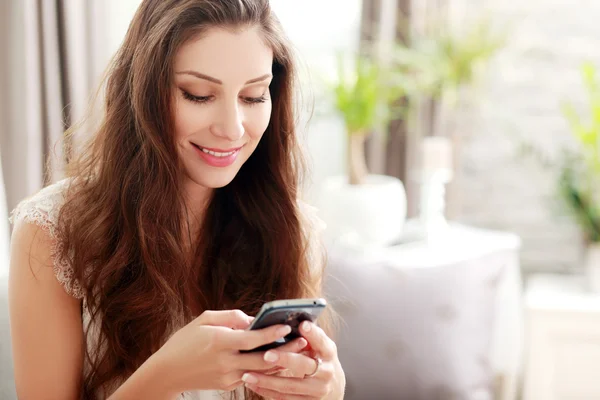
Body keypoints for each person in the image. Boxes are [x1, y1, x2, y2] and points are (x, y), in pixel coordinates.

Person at [8, 0, 346, 399]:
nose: (232, 128)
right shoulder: (52, 231)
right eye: (198, 95)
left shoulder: (291, 227)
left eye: (254, 96)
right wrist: (168, 374)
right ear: (143, 92)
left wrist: (329, 389)